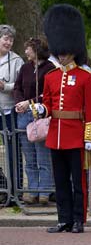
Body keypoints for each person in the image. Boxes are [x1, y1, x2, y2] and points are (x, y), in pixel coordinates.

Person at [39, 4, 91, 233]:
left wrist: (89, 137)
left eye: (65, 52)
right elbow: (48, 104)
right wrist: (38, 110)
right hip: (56, 135)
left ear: (74, 50)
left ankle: (78, 220)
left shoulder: (85, 77)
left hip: (76, 135)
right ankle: (63, 219)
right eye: (60, 52)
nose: (62, 55)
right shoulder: (50, 76)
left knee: (78, 183)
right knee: (61, 182)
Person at [14, 37, 55, 205]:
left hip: (40, 114)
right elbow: (17, 87)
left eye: (28, 49)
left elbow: (49, 94)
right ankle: (32, 190)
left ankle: (44, 191)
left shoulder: (50, 69)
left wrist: (30, 103)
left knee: (43, 157)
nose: (26, 52)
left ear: (36, 50)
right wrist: (20, 102)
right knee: (29, 157)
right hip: (24, 116)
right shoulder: (24, 68)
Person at [0, 24, 24, 202]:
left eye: (11, 39)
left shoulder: (16, 60)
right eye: (5, 38)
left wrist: (4, 86)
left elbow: (19, 86)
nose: (8, 42)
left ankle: (16, 191)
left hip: (8, 112)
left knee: (13, 151)